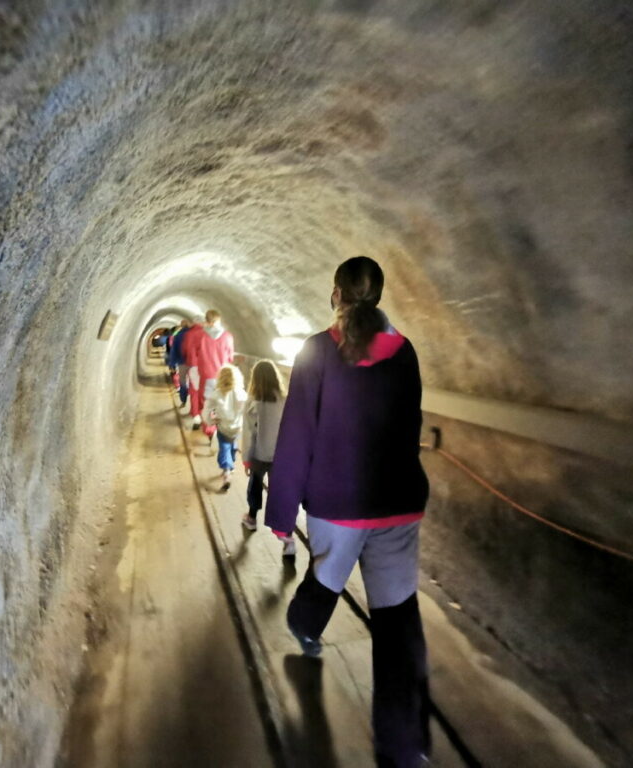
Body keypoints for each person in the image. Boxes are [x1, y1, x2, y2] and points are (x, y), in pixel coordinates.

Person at [265, 256, 431, 768]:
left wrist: (281, 509)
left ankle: (303, 622)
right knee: (399, 623)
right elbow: (410, 426)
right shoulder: (404, 352)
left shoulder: (316, 352)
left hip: (337, 505)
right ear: (377, 297)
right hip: (397, 507)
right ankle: (403, 747)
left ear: (336, 295)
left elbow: (297, 435)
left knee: (328, 576)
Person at [240, 359, 286, 533]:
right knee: (278, 488)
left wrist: (246, 459)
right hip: (280, 455)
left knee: (255, 486)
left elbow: (249, 433)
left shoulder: (253, 401)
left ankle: (251, 518)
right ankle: (282, 525)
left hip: (259, 453)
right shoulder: (284, 399)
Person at [185, 309, 235, 433]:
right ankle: (219, 427)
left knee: (207, 402)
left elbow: (192, 356)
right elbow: (230, 357)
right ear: (219, 320)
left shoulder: (199, 336)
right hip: (223, 375)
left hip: (206, 374)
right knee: (221, 402)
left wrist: (193, 371)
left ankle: (209, 429)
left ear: (206, 321)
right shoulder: (227, 336)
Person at [204, 364, 248, 491]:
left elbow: (207, 410)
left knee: (224, 448)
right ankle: (231, 464)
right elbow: (248, 410)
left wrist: (211, 421)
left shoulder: (216, 394)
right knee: (233, 446)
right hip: (237, 428)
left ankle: (227, 472)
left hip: (223, 428)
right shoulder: (241, 393)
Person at [167, 319, 191, 403]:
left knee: (183, 381)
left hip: (182, 362)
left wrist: (172, 363)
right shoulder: (193, 334)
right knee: (192, 380)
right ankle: (191, 395)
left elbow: (174, 350)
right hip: (193, 362)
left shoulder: (178, 335)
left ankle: (183, 399)